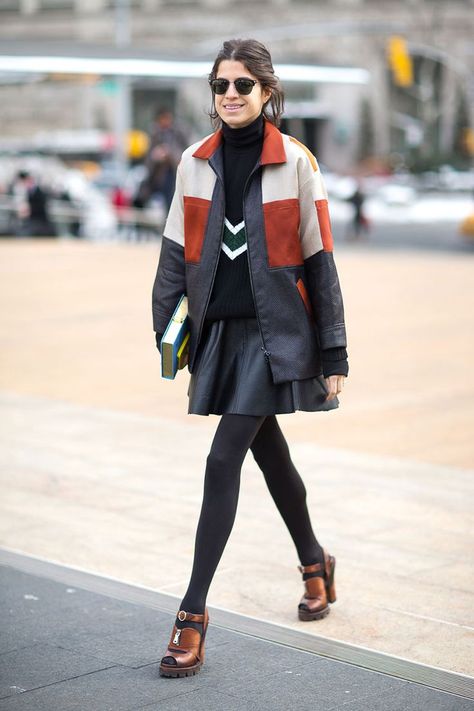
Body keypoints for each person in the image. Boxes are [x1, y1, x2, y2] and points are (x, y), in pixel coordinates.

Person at [151, 38, 349, 678]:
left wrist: (334, 348)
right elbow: (172, 257)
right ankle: (316, 562)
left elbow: (319, 260)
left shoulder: (294, 161)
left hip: (277, 334)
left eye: (242, 85)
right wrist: (168, 334)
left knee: (222, 458)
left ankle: (192, 615)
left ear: (267, 92)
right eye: (220, 85)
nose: (229, 95)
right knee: (270, 454)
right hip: (220, 335)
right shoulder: (193, 163)